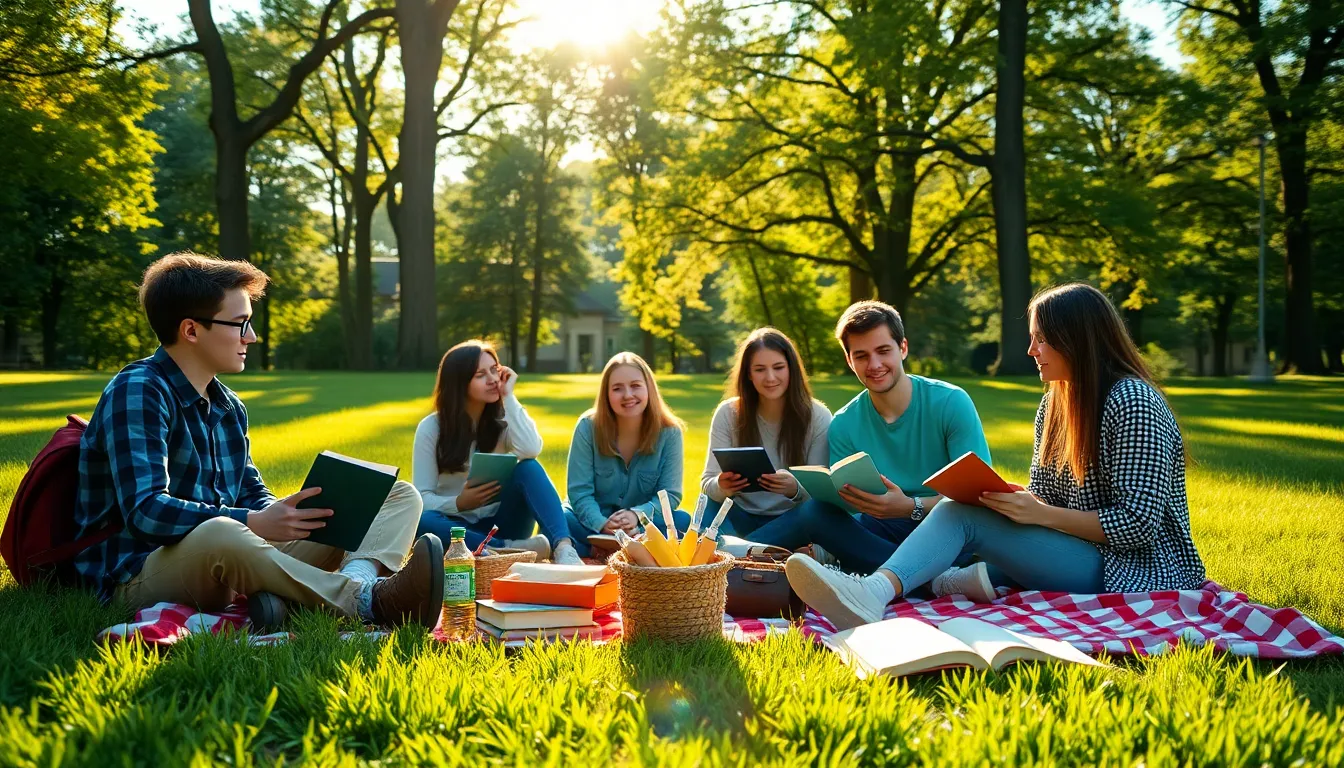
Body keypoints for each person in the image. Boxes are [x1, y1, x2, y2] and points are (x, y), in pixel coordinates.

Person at [786, 283, 1208, 630]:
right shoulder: (1054, 405)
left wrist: (1039, 514)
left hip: (1138, 568)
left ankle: (876, 590)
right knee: (960, 508)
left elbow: (1137, 525)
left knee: (959, 515)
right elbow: (1045, 496)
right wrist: (1017, 500)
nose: (1031, 350)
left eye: (1040, 339)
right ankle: (914, 583)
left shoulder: (1134, 403)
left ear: (1076, 340)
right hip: (1078, 548)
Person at [72, 252, 441, 632]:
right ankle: (369, 601)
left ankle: (335, 589)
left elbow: (251, 495)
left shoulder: (229, 405)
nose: (251, 336)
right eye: (239, 324)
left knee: (395, 495)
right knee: (222, 531)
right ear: (191, 330)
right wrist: (254, 521)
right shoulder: (138, 390)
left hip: (229, 559)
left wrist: (286, 512)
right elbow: (147, 511)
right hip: (136, 574)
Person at [746, 301, 992, 574]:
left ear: (903, 348)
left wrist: (910, 507)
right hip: (881, 533)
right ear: (850, 361)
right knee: (815, 512)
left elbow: (978, 499)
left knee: (961, 530)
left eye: (883, 351)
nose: (874, 365)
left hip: (950, 530)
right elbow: (848, 512)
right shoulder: (844, 423)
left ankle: (923, 574)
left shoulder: (950, 403)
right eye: (861, 356)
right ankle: (722, 561)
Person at [413, 340, 583, 565]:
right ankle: (505, 550)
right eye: (480, 374)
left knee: (528, 467)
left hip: (503, 523)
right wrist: (459, 503)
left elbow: (531, 448)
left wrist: (509, 397)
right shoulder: (431, 428)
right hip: (457, 529)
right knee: (423, 521)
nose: (492, 379)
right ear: (459, 382)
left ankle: (564, 548)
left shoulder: (503, 419)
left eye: (495, 370)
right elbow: (421, 498)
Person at [699, 328, 832, 537]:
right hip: (739, 514)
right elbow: (707, 485)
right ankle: (751, 553)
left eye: (778, 367)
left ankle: (736, 555)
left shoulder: (818, 416)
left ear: (792, 369)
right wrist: (722, 485)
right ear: (749, 374)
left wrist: (795, 488)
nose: (770, 378)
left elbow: (822, 493)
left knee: (815, 512)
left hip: (791, 520)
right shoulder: (728, 413)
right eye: (760, 369)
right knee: (708, 505)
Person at [562, 352, 690, 557]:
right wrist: (601, 524)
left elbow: (670, 495)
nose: (628, 395)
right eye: (617, 388)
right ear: (606, 394)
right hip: (591, 523)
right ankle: (627, 552)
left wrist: (637, 515)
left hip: (640, 526)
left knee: (683, 521)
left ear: (649, 388)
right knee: (560, 518)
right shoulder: (587, 427)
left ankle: (594, 551)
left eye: (636, 385)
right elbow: (579, 492)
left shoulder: (669, 432)